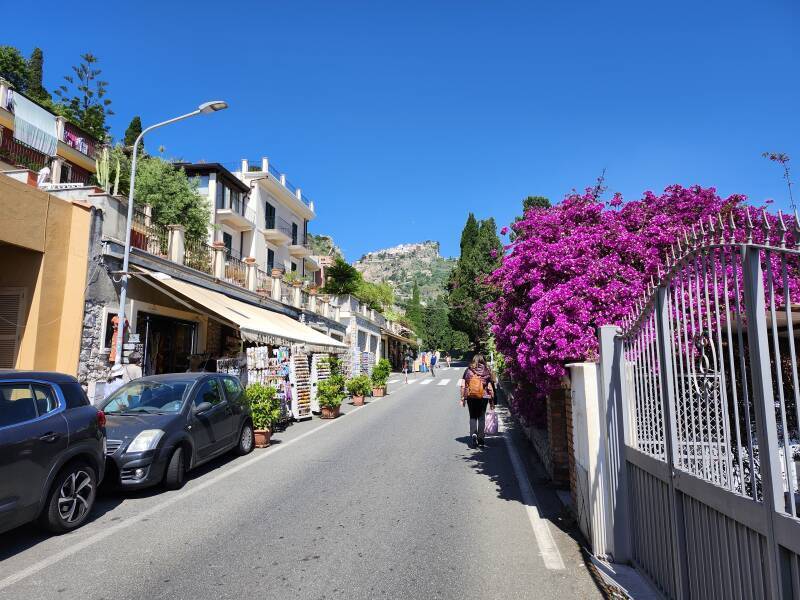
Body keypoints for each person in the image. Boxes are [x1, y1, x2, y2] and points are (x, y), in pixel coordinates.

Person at [459, 354, 495, 448]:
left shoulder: (468, 370)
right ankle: (481, 440)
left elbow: (463, 385)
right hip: (484, 396)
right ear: (484, 360)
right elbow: (491, 387)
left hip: (471, 396)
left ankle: (474, 434)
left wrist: (462, 398)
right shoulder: (487, 370)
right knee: (481, 417)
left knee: (473, 416)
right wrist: (492, 402)